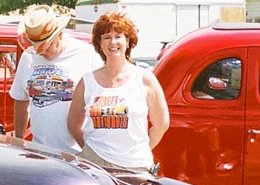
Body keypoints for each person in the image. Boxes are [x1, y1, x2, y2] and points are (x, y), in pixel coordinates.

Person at [67, 11, 169, 172]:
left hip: (136, 166)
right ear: (99, 43)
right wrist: (91, 150)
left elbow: (161, 124)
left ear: (128, 41)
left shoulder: (145, 79)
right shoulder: (87, 81)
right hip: (95, 164)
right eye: (106, 37)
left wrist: (139, 149)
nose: (113, 42)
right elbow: (73, 123)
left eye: (118, 36)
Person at [9, 5, 102, 154]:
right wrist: (20, 140)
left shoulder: (86, 54)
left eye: (48, 46)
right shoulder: (28, 57)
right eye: (38, 48)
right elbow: (21, 100)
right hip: (38, 152)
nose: (44, 52)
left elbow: (101, 100)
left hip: (77, 154)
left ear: (60, 34)